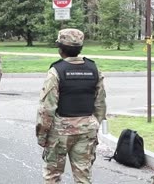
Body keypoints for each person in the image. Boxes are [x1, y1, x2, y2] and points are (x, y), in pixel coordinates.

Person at [36, 28, 106, 184]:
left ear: (60, 49)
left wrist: (42, 136)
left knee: (52, 175)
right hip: (87, 129)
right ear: (80, 48)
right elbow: (100, 104)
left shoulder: (56, 71)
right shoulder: (94, 69)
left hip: (59, 132)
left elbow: (47, 109)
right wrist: (93, 125)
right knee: (83, 175)